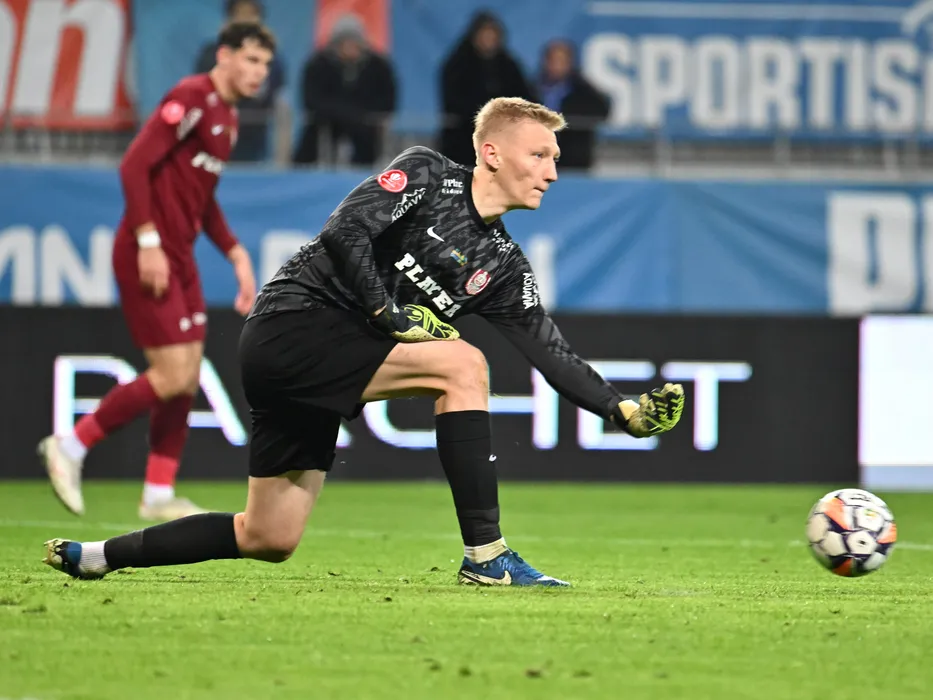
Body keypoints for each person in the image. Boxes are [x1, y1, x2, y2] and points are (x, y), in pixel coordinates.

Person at [42, 97, 685, 586]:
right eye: (540, 155)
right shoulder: (428, 174)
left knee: (269, 536)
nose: (552, 172)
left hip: (326, 362)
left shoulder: (504, 266)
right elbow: (343, 231)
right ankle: (486, 556)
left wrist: (621, 410)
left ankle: (99, 556)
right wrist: (389, 314)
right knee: (464, 365)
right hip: (294, 321)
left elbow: (550, 351)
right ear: (492, 153)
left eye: (555, 159)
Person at [37, 22, 272, 522]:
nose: (260, 72)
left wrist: (235, 253)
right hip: (148, 252)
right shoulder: (191, 97)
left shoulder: (228, 119)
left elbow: (203, 200)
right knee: (172, 374)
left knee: (186, 377)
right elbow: (133, 165)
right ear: (225, 55)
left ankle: (159, 492)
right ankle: (71, 444)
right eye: (252, 60)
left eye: (266, 65)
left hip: (179, 258)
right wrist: (147, 241)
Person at [292, 14, 396, 167]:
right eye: (344, 43)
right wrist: (342, 113)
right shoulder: (318, 65)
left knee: (367, 138)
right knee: (313, 138)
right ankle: (302, 173)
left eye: (354, 43)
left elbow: (387, 101)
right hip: (326, 123)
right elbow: (311, 100)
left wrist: (358, 114)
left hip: (365, 125)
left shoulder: (379, 66)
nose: (349, 48)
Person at [194, 0, 287, 163]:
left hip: (254, 136)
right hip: (216, 133)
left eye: (251, 14)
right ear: (229, 19)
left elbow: (275, 88)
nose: (246, 20)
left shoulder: (271, 57)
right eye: (240, 14)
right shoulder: (212, 53)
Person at [439, 11, 536, 166]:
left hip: (503, 140)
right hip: (463, 140)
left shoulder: (509, 66)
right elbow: (454, 101)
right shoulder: (458, 65)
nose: (488, 40)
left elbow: (524, 96)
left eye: (492, 36)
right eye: (484, 35)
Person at [535, 39, 611, 171]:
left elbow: (603, 110)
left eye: (562, 61)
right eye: (553, 60)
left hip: (572, 161)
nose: (557, 66)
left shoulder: (582, 89)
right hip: (538, 158)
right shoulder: (533, 88)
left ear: (570, 63)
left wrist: (570, 116)